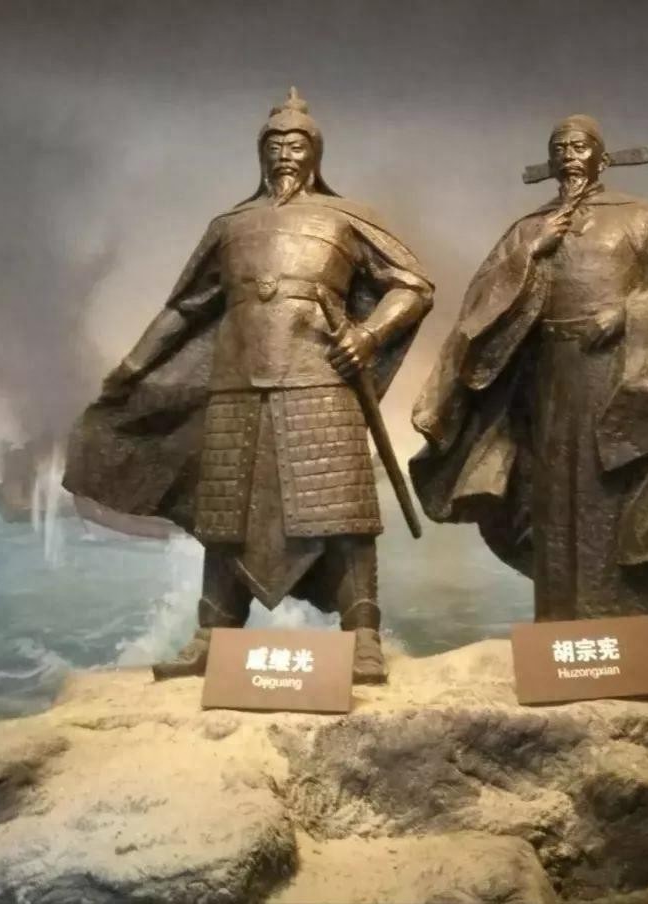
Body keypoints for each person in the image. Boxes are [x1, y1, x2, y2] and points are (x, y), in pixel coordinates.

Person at [65, 89, 433, 682]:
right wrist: (132, 365)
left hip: (320, 381)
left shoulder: (344, 220)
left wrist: (367, 337)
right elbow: (185, 307)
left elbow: (412, 285)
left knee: (342, 512)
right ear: (260, 153)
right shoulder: (230, 226)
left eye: (297, 143)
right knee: (225, 513)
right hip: (237, 383)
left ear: (315, 153)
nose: (285, 152)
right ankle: (212, 635)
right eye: (274, 143)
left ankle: (363, 636)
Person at [410, 114, 648, 650]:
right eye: (560, 148)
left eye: (579, 146)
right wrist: (528, 254)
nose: (569, 156)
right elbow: (484, 301)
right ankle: (562, 621)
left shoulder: (641, 218)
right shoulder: (528, 228)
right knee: (553, 490)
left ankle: (635, 617)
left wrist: (628, 314)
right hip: (548, 377)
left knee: (612, 485)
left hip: (618, 373)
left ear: (602, 157)